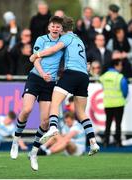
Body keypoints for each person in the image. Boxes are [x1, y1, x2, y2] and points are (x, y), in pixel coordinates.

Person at [30, 16, 100, 156]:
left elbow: (53, 50)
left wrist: (36, 55)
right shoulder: (79, 40)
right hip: (84, 77)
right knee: (81, 113)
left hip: (72, 73)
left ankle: (53, 128)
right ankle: (93, 141)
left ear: (62, 29)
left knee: (54, 103)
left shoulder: (66, 38)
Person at [10, 16, 64, 171]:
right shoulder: (41, 39)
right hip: (36, 77)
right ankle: (16, 141)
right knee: (26, 110)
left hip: (50, 83)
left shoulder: (63, 43)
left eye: (58, 27)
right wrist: (42, 74)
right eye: (53, 26)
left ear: (61, 29)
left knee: (45, 123)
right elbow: (35, 59)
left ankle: (33, 152)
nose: (55, 29)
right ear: (49, 27)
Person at [100, 60, 128, 147]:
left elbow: (102, 84)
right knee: (118, 124)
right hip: (118, 103)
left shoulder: (104, 76)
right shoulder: (119, 77)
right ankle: (118, 142)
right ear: (116, 66)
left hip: (108, 103)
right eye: (120, 65)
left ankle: (106, 141)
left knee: (108, 124)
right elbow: (125, 90)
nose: (121, 67)